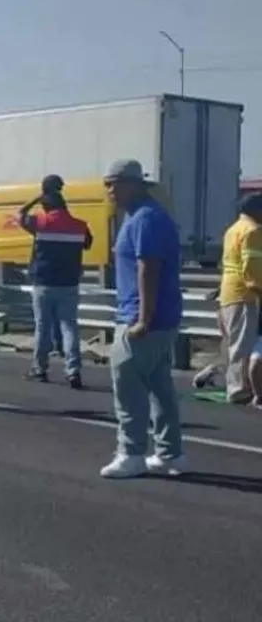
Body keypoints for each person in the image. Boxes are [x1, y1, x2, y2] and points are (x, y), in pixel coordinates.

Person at [100, 159, 185, 479]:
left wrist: (142, 319)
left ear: (136, 184)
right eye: (107, 183)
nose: (110, 189)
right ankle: (169, 453)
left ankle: (131, 453)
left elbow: (148, 269)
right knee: (159, 387)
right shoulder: (142, 216)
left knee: (128, 385)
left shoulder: (145, 219)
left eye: (116, 183)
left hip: (142, 318)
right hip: (160, 318)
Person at [17, 181, 93, 388]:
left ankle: (40, 368)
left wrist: (37, 196)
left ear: (45, 206)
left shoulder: (39, 222)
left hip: (43, 282)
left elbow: (20, 214)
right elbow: (87, 243)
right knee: (69, 326)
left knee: (43, 326)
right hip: (69, 283)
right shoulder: (80, 225)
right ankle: (73, 370)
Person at [216, 193, 262, 405]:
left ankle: (234, 385)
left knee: (234, 342)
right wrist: (257, 289)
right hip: (244, 293)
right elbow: (251, 266)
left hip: (229, 291)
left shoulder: (233, 229)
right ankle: (239, 390)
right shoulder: (253, 230)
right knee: (242, 344)